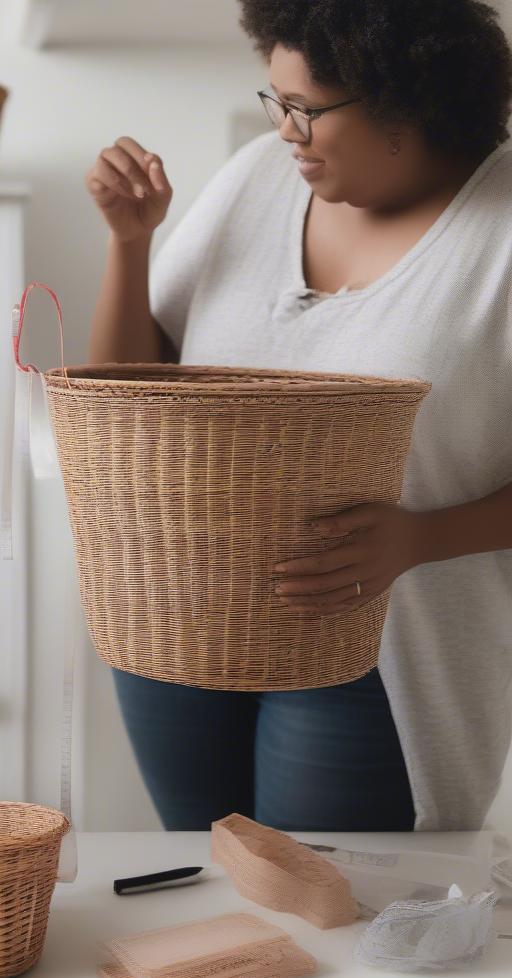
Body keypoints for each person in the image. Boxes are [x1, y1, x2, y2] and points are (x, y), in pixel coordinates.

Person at [84, 0, 512, 833]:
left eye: (306, 110)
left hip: (382, 647)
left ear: (407, 98)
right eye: (273, 102)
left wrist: (422, 538)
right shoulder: (254, 178)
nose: (284, 131)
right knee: (212, 884)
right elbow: (129, 397)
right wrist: (128, 243)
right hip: (182, 613)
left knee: (328, 914)